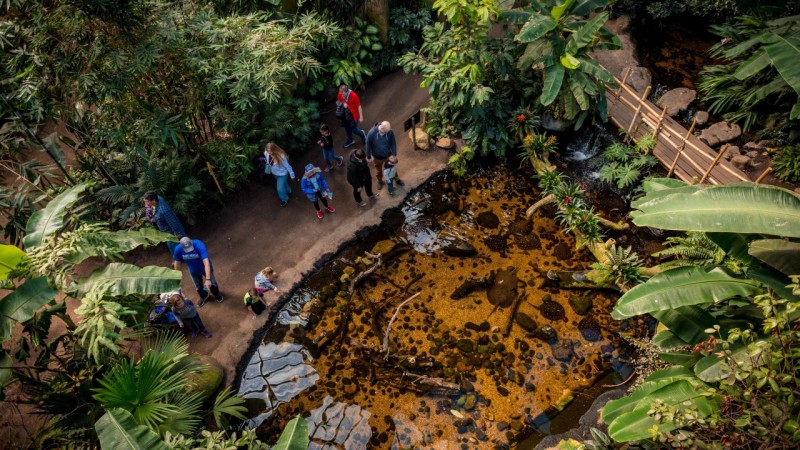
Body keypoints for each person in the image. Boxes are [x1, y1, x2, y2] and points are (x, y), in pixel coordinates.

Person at [173, 236, 223, 307]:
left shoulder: (199, 245)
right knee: (198, 286)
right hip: (193, 270)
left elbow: (206, 262)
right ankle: (204, 296)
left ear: (191, 242)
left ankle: (216, 294)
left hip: (205, 268)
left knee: (212, 283)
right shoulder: (178, 250)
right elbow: (177, 263)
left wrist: (208, 279)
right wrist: (176, 277)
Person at [365, 121, 405, 190]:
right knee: (379, 170)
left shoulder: (389, 132)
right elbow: (368, 145)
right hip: (377, 157)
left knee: (392, 168)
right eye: (387, 131)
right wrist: (368, 155)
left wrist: (394, 154)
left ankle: (397, 179)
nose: (388, 132)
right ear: (382, 129)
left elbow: (393, 143)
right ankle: (380, 181)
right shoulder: (371, 133)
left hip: (388, 155)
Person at [264, 142, 296, 207]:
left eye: (270, 151)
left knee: (280, 188)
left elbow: (288, 166)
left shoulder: (281, 156)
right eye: (268, 150)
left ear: (274, 149)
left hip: (283, 175)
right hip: (275, 174)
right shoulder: (266, 153)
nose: (269, 152)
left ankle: (284, 199)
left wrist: (292, 175)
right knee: (283, 183)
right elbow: (266, 156)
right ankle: (288, 190)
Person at [337, 84, 367, 148]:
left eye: (343, 94)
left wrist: (361, 116)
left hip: (354, 116)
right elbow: (338, 102)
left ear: (347, 91)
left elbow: (359, 106)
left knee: (354, 130)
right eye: (341, 94)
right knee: (347, 129)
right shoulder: (340, 94)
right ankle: (351, 140)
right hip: (345, 116)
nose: (342, 96)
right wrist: (343, 104)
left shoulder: (353, 95)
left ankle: (363, 135)